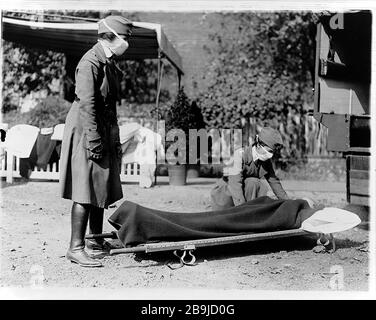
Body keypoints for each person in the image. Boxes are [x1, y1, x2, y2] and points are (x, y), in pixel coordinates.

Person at [59, 15, 133, 267]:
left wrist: (113, 137)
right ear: (109, 36)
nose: (126, 43)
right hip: (85, 129)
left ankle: (94, 239)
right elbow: (87, 105)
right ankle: (75, 247)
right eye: (124, 38)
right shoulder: (90, 62)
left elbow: (109, 104)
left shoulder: (109, 63)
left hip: (102, 128)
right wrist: (94, 140)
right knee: (84, 188)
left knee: (100, 186)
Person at [211, 127, 289, 210]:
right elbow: (235, 185)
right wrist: (242, 210)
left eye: (272, 152)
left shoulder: (265, 162)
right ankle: (245, 212)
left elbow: (274, 182)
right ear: (259, 145)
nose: (270, 155)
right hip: (226, 193)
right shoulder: (239, 155)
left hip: (242, 192)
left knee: (255, 183)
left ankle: (250, 211)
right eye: (269, 151)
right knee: (253, 182)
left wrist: (288, 203)